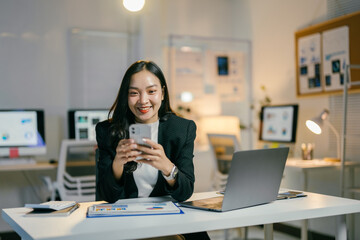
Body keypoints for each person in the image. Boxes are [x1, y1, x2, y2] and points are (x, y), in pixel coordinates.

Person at [95, 60, 210, 240]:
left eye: (151, 91)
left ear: (162, 93)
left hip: (168, 219)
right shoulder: (108, 131)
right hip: (125, 222)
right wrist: (118, 163)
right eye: (134, 93)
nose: (143, 100)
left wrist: (167, 167)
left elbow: (185, 192)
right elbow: (106, 196)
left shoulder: (182, 129)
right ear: (126, 96)